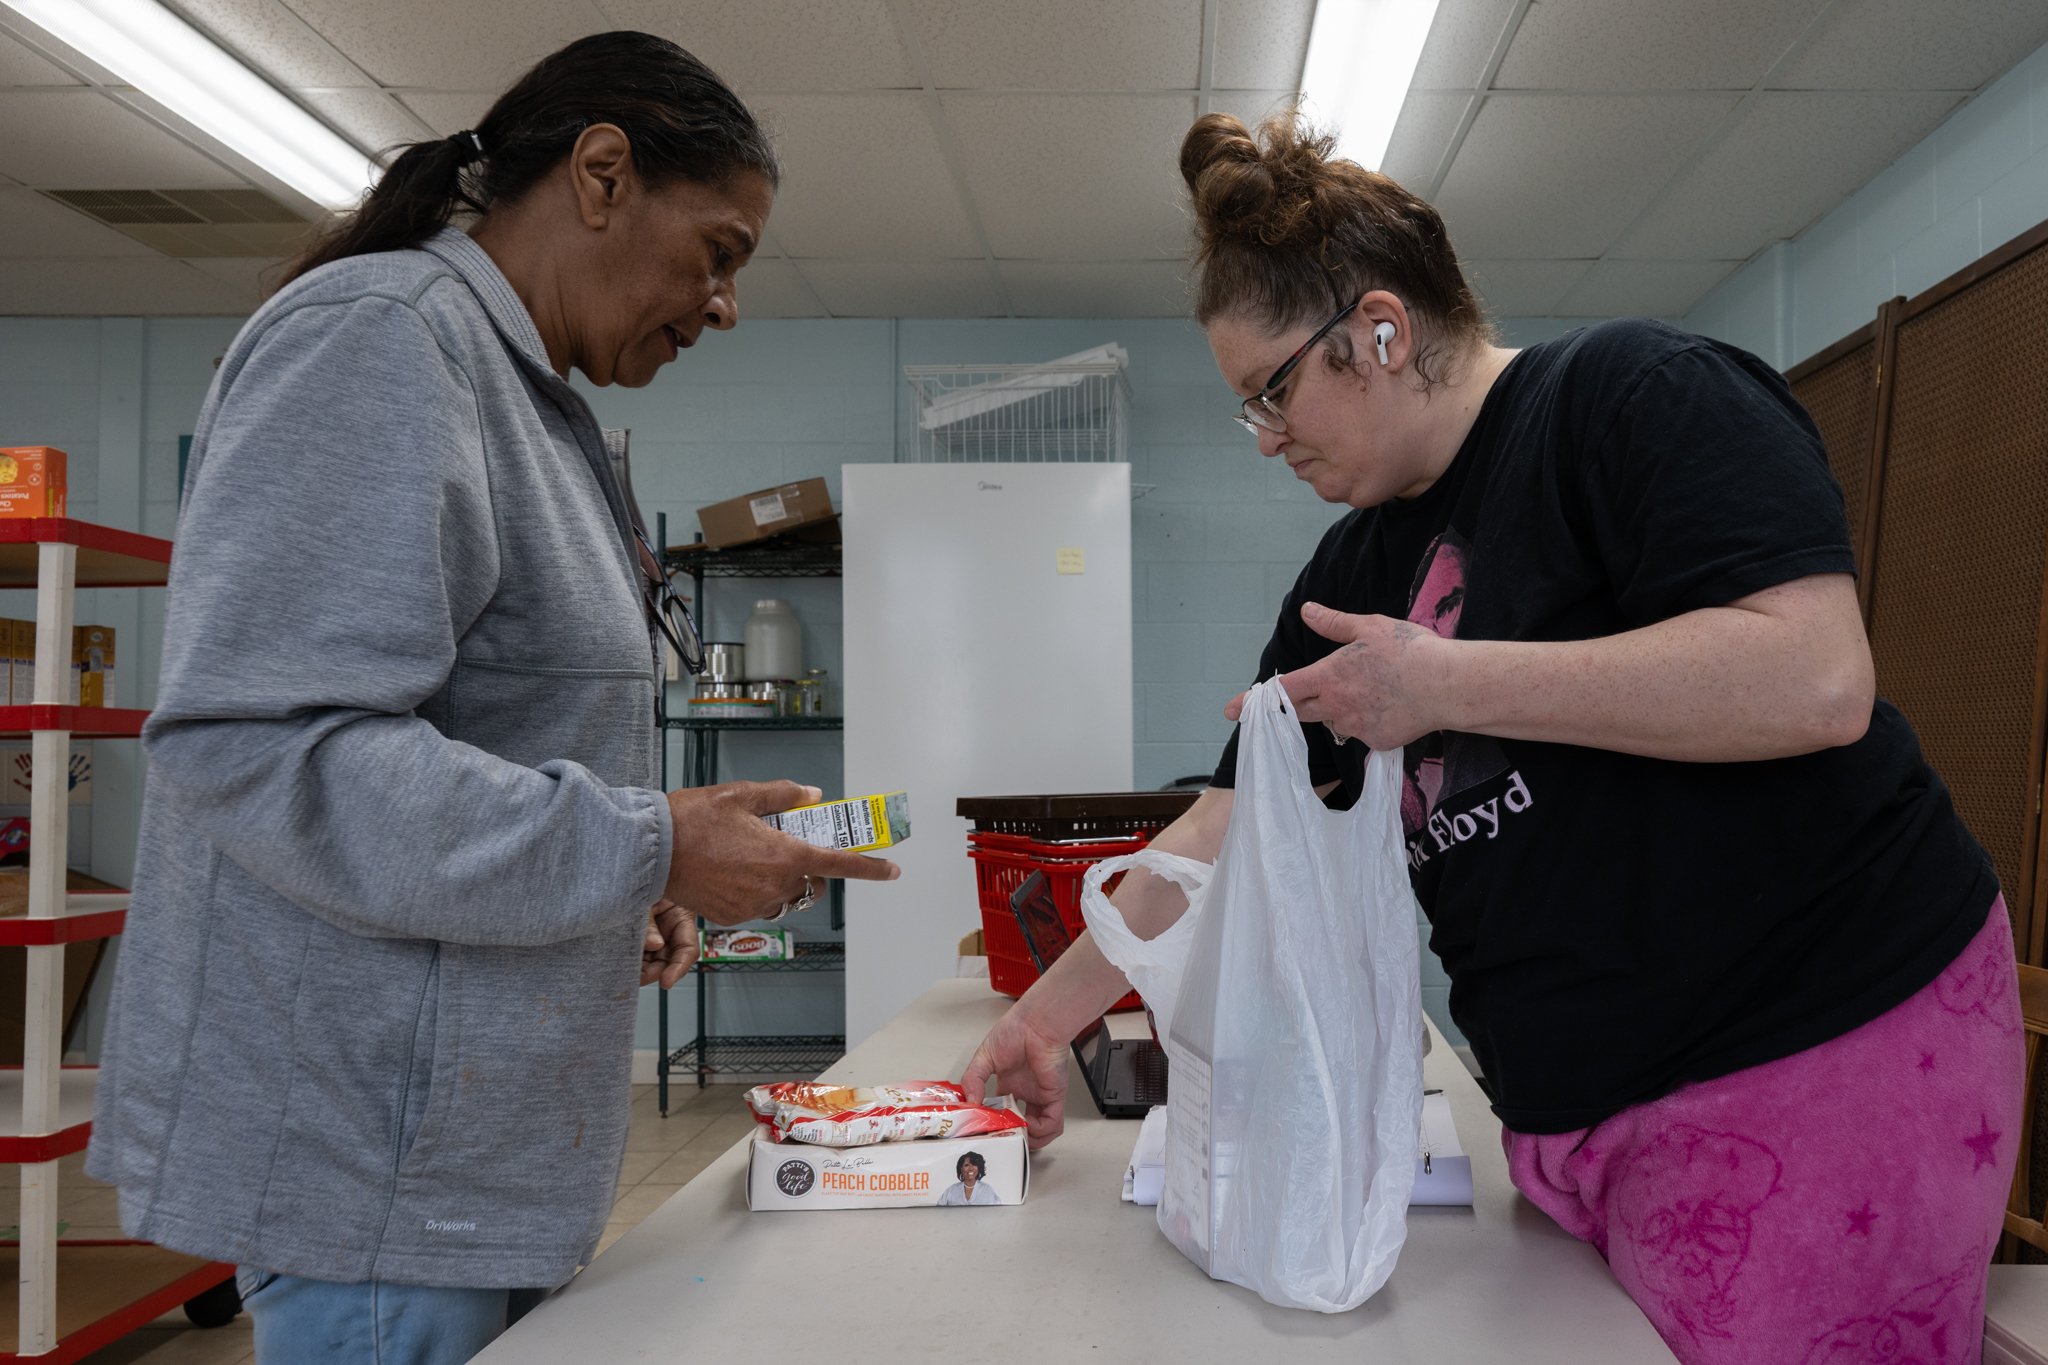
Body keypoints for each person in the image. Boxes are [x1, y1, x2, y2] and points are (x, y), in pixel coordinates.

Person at [964, 109, 2026, 1362]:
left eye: (1271, 391)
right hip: (1579, 1106)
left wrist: (1443, 685)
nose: (1263, 439)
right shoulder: (1355, 557)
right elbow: (1227, 821)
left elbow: (1811, 679)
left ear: (1377, 328)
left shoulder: (1634, 397)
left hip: (1813, 1043)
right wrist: (1043, 1020)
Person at [86, 31, 896, 1364]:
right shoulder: (380, 344)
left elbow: (480, 751)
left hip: (460, 1171)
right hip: (381, 1188)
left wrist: (609, 895)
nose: (724, 302)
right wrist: (647, 842)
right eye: (721, 250)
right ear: (600, 173)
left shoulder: (521, 393)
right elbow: (272, 750)